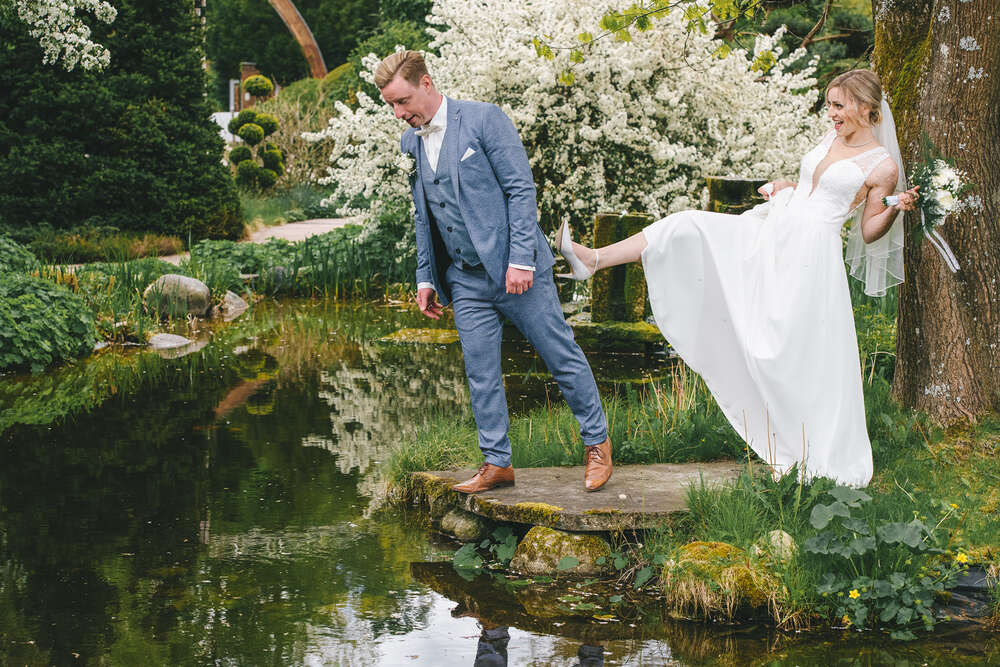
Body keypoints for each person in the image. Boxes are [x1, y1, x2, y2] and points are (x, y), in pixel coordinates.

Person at [557, 69, 920, 487]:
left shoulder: (882, 165)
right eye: (829, 105)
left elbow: (869, 229)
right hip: (775, 228)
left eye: (838, 105)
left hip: (811, 255)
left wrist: (895, 207)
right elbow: (812, 186)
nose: (830, 114)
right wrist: (787, 186)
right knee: (687, 225)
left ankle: (800, 449)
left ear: (865, 107)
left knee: (786, 353)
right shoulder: (831, 138)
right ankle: (594, 259)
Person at [374, 50, 613, 492]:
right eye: (390, 105)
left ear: (426, 83)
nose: (398, 113)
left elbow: (521, 189)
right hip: (464, 278)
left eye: (402, 101)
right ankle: (497, 463)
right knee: (480, 370)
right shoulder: (411, 141)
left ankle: (597, 445)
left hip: (516, 270)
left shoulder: (484, 120)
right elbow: (423, 215)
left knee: (560, 355)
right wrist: (426, 276)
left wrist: (521, 259)